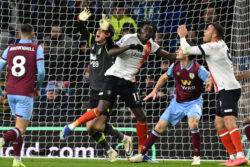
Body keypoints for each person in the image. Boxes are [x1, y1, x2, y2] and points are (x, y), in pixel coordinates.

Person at [61, 20, 178, 155]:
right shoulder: (129, 38)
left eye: (151, 32)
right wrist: (130, 47)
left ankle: (141, 153)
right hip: (113, 78)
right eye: (145, 30)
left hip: (128, 82)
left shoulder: (151, 45)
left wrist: (184, 53)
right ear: (139, 30)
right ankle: (72, 126)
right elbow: (112, 51)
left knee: (141, 117)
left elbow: (168, 55)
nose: (148, 33)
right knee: (96, 119)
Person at [60, 9, 133, 162]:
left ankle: (124, 138)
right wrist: (79, 20)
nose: (98, 32)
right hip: (93, 89)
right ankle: (111, 149)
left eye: (101, 31)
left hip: (107, 91)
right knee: (89, 128)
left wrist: (107, 27)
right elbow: (81, 29)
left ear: (107, 35)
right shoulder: (92, 41)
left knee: (98, 127)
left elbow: (112, 42)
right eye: (98, 30)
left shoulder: (109, 46)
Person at [177, 23, 247, 166]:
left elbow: (186, 50)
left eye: (208, 29)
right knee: (219, 124)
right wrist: (211, 79)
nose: (204, 31)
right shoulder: (220, 45)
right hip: (225, 88)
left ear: (215, 34)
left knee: (229, 122)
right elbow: (219, 67)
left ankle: (240, 156)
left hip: (228, 89)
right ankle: (233, 156)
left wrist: (183, 37)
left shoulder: (213, 47)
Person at [129, 48, 211, 165]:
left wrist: (209, 83)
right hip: (177, 103)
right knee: (159, 127)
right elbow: (164, 77)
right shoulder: (175, 65)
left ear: (188, 53)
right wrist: (154, 90)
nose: (177, 51)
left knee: (193, 123)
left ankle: (196, 158)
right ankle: (141, 155)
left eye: (180, 50)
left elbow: (209, 78)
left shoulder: (198, 68)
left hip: (194, 103)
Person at [0, 24, 45, 167]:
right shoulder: (37, 48)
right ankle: (2, 140)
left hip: (11, 93)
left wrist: (1, 91)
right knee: (20, 129)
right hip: (25, 93)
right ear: (33, 33)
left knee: (18, 129)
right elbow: (42, 72)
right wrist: (37, 88)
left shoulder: (10, 48)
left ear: (19, 33)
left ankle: (17, 160)